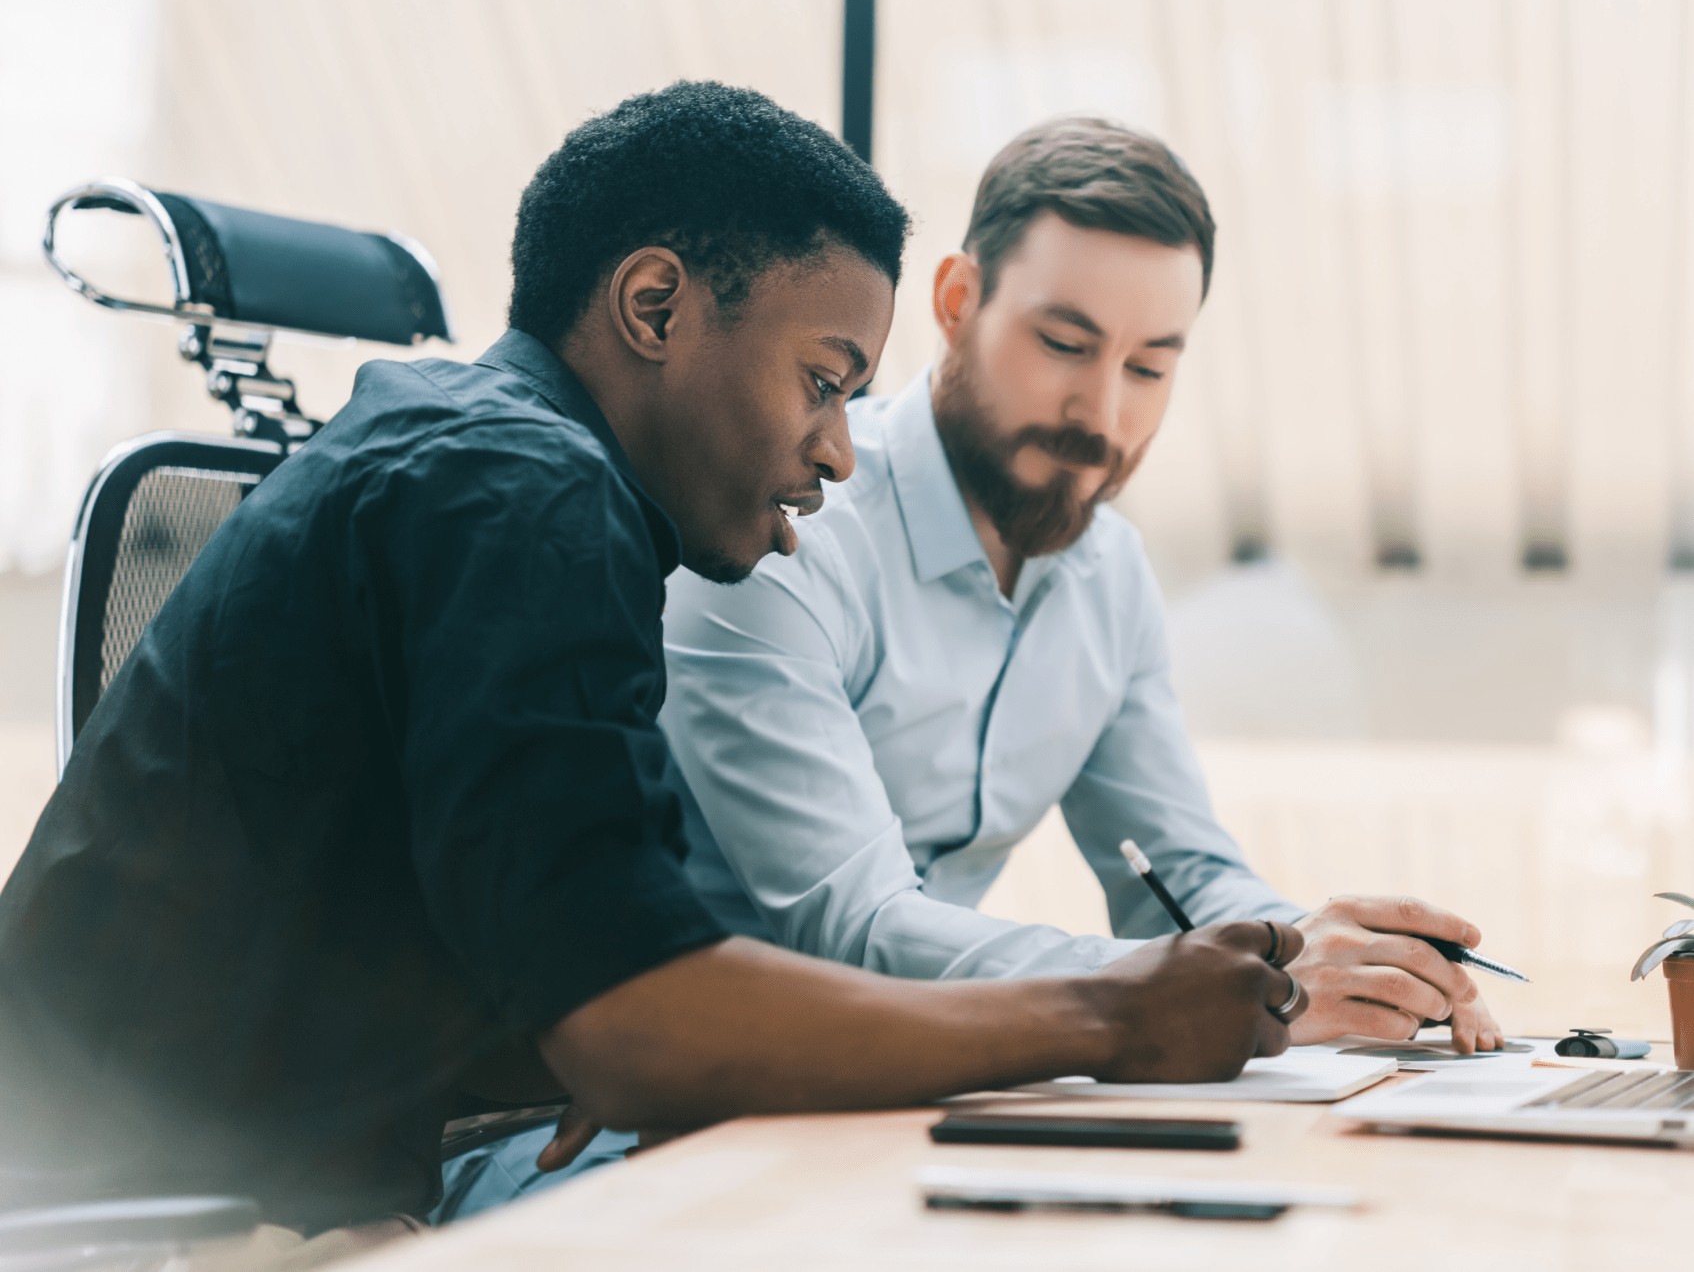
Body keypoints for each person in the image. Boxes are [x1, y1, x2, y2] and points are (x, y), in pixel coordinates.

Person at [0, 86, 1307, 1259]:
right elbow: (636, 1025)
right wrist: (1108, 1016)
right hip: (143, 1220)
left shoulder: (483, 455)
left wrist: (593, 1012)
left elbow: (573, 961)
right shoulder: (530, 496)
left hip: (228, 1178)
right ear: (653, 308)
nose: (839, 451)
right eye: (820, 380)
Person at [660, 116, 1503, 1058]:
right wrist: (1233, 987)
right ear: (955, 302)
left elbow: (1177, 874)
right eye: (1065, 344)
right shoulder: (783, 530)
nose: (1102, 415)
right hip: (692, 1092)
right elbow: (854, 929)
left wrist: (1344, 964)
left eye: (1149, 366)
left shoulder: (1109, 574)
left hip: (920, 1083)